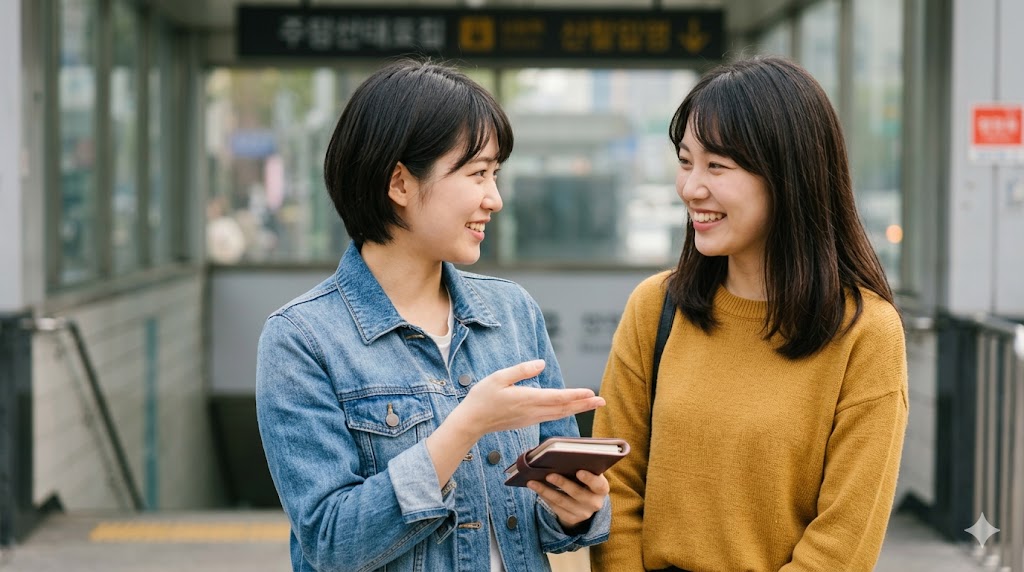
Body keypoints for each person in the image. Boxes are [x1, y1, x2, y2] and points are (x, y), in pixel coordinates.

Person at [255, 59, 611, 572]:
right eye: (478, 174)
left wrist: (577, 511)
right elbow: (331, 544)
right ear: (399, 183)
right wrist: (464, 428)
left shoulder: (511, 313)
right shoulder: (302, 338)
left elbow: (545, 525)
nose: (495, 199)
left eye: (496, 174)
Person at [590, 55, 908, 572]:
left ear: (789, 175)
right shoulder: (656, 307)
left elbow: (844, 538)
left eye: (717, 166)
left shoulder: (865, 331)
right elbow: (614, 485)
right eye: (686, 161)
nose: (691, 188)